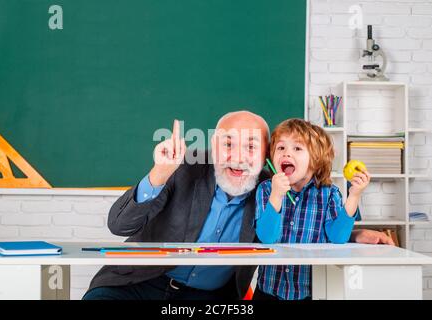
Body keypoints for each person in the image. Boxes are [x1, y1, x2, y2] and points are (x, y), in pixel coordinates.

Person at [83, 111, 393, 300]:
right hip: (137, 284)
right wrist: (160, 173)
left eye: (251, 146)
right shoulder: (183, 170)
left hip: (210, 299)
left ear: (266, 156)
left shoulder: (272, 189)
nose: (238, 156)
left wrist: (354, 235)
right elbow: (119, 225)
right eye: (228, 143)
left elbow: (304, 227)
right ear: (212, 147)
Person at [253, 119, 371, 300]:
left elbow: (338, 238)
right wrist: (276, 196)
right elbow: (267, 238)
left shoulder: (329, 193)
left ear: (315, 160)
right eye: (281, 148)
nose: (286, 154)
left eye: (297, 148)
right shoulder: (267, 189)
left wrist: (354, 195)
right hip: (268, 291)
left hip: (310, 293)